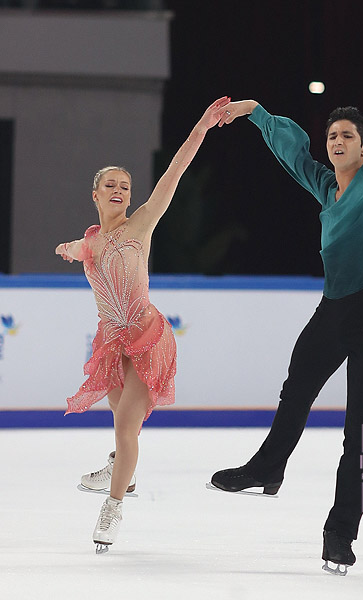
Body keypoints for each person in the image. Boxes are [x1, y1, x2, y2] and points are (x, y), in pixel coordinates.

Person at [210, 37, 363, 575]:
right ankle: (268, 467)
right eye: (332, 135)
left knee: (361, 429)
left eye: (347, 135)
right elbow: (292, 150)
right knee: (296, 388)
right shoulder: (325, 187)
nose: (336, 141)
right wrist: (257, 113)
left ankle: (340, 535)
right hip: (333, 310)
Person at [55, 96, 231, 553]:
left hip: (148, 337)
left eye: (125, 186)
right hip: (112, 342)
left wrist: (203, 125)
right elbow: (78, 247)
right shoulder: (91, 241)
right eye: (110, 186)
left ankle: (112, 507)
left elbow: (176, 169)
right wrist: (66, 249)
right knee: (121, 422)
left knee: (126, 425)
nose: (119, 191)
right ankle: (121, 470)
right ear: (94, 195)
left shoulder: (141, 226)